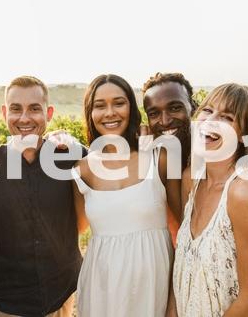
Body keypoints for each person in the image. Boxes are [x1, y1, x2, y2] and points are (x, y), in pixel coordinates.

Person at [0, 76, 85, 317]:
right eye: (16, 109)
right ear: (4, 113)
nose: (24, 118)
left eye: (34, 109)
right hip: (11, 304)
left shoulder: (70, 155)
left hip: (63, 295)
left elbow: (111, 167)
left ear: (49, 113)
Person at [72, 74, 181, 316]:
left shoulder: (158, 158)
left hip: (154, 282)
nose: (110, 112)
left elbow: (184, 228)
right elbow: (78, 228)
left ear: (131, 107)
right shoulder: (81, 169)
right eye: (100, 105)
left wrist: (175, 298)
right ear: (90, 113)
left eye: (119, 103)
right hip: (103, 284)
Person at [173, 83, 248, 316]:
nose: (210, 121)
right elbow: (182, 273)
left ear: (245, 135)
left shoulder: (246, 193)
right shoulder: (192, 181)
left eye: (227, 117)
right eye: (207, 110)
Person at [141, 72, 248, 242]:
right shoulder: (153, 154)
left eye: (175, 108)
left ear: (194, 107)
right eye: (153, 113)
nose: (165, 120)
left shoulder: (215, 148)